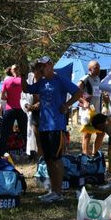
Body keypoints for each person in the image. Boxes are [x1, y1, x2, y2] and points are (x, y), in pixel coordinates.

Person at [21, 56, 82, 203]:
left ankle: (58, 192)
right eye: (40, 66)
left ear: (50, 65)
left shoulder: (60, 80)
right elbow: (27, 89)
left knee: (56, 159)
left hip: (56, 126)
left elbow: (78, 92)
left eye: (44, 65)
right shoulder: (41, 82)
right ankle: (52, 190)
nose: (42, 68)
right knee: (48, 159)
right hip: (44, 126)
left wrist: (67, 105)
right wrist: (22, 75)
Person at [0, 64, 27, 156]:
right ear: (19, 70)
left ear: (11, 70)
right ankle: (30, 152)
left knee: (4, 131)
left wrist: (9, 98)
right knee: (25, 131)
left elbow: (2, 96)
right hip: (21, 108)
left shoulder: (6, 81)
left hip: (10, 108)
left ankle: (1, 153)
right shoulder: (23, 80)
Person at [78, 60, 105, 156]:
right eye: (96, 68)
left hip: (97, 111)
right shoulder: (86, 78)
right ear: (89, 69)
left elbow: (97, 93)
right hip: (87, 112)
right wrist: (84, 101)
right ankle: (85, 156)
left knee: (101, 132)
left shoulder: (98, 78)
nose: (98, 70)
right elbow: (76, 90)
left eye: (99, 67)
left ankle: (94, 153)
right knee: (87, 135)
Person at [20, 62, 42, 159]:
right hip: (33, 113)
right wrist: (26, 105)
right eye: (36, 70)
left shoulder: (47, 80)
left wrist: (41, 104)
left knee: (43, 137)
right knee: (35, 135)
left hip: (45, 113)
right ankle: (35, 154)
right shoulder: (29, 81)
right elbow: (23, 97)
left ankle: (44, 156)